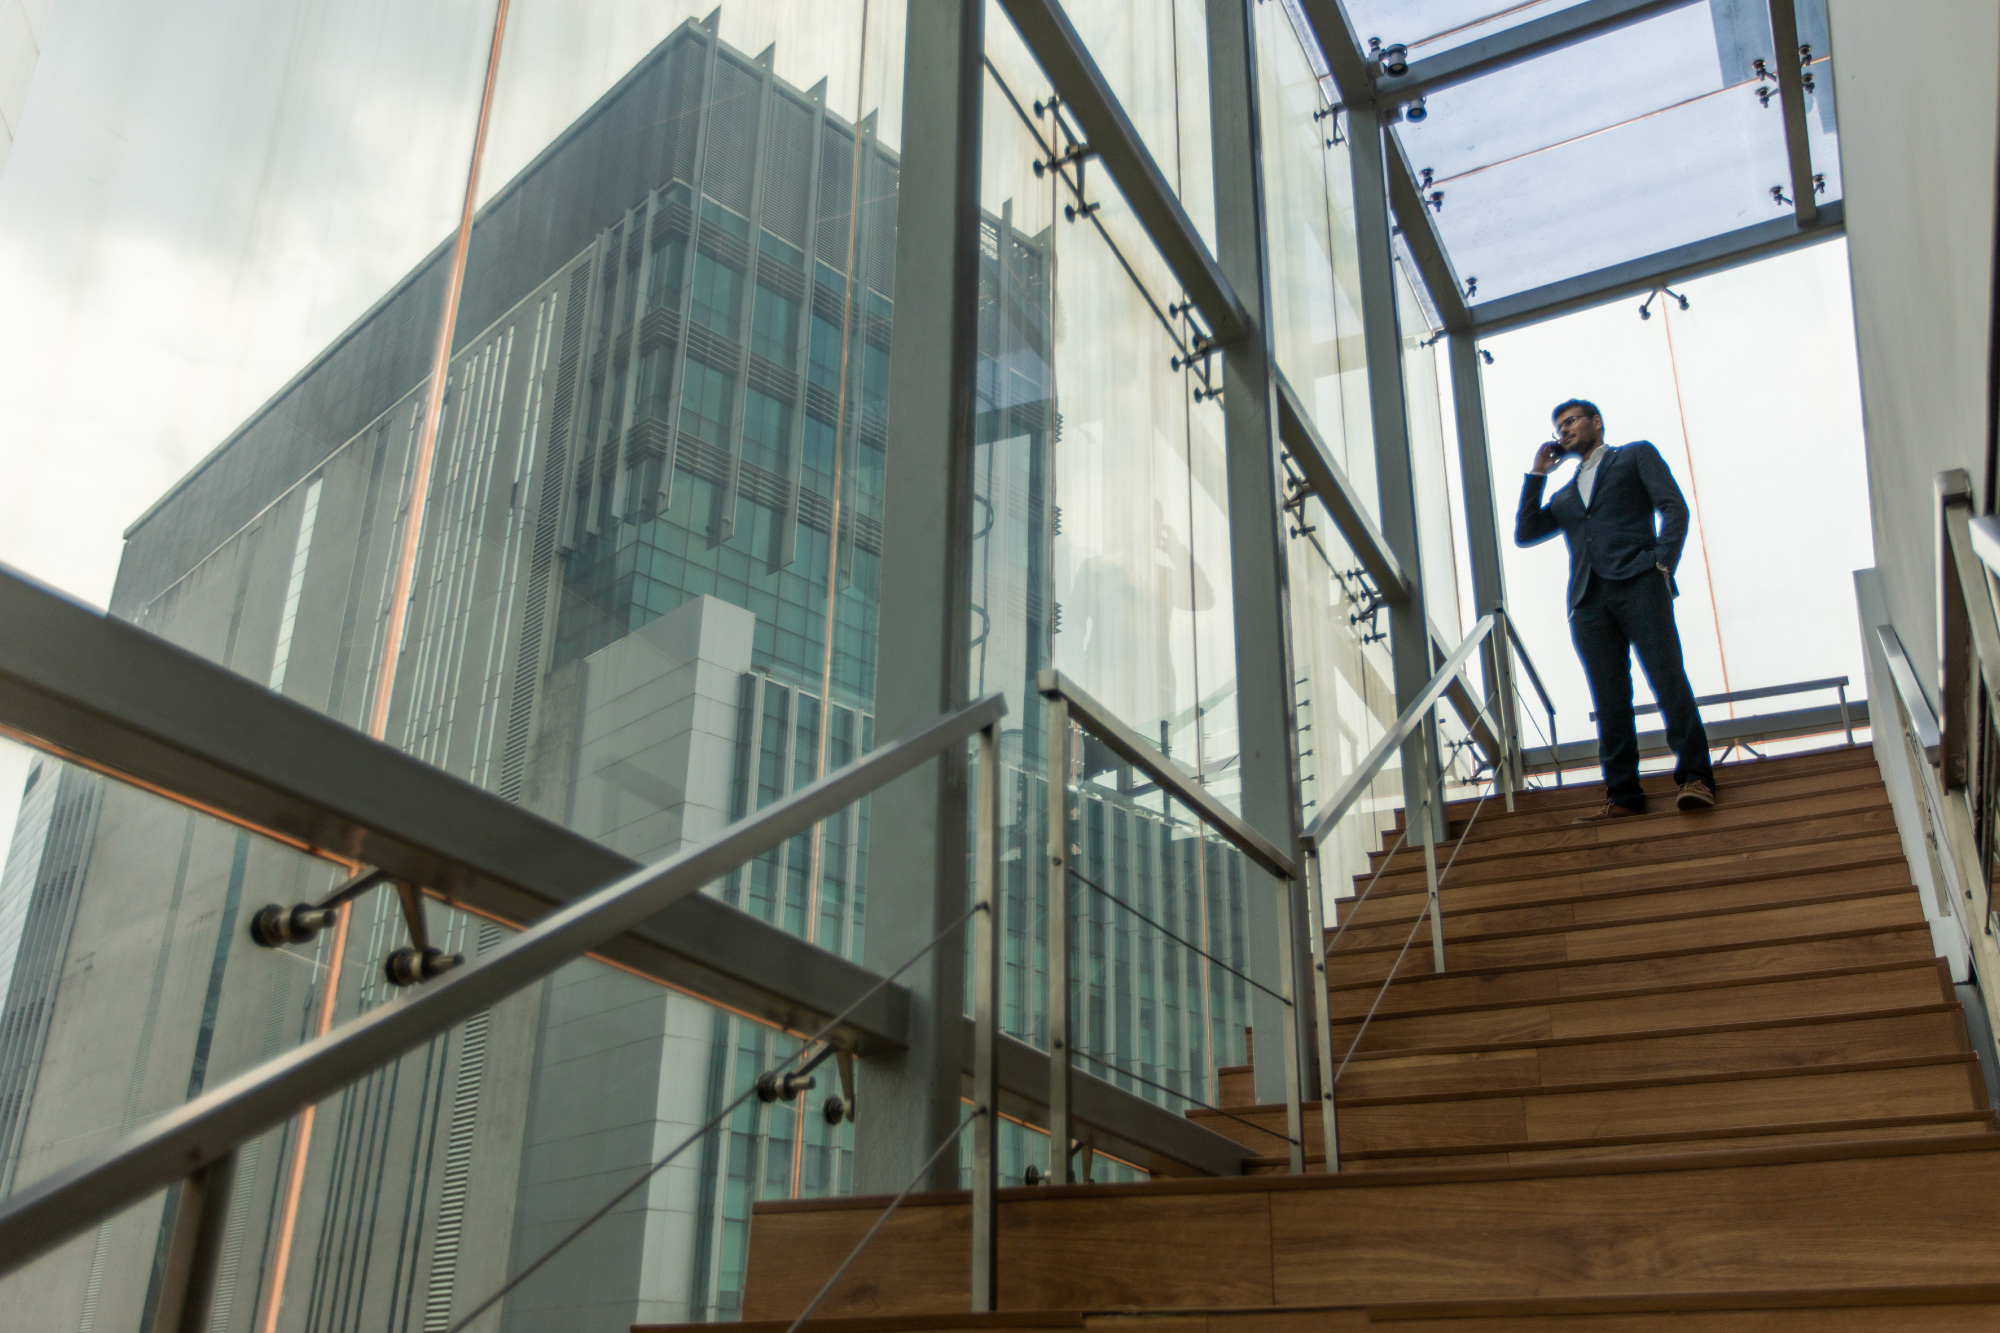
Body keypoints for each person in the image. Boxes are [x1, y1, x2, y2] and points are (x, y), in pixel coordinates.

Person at [1514, 399, 1716, 822]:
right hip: (1587, 601)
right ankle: (1623, 793)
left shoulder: (1635, 454)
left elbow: (1673, 507)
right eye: (1559, 426)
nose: (1565, 429)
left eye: (1572, 421)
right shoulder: (1566, 495)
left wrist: (1662, 563)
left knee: (1667, 678)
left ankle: (1696, 777)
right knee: (1609, 700)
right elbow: (1527, 532)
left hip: (1639, 582)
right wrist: (1537, 475)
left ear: (1596, 422)